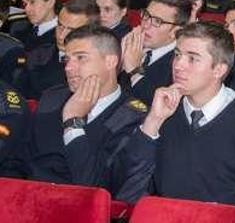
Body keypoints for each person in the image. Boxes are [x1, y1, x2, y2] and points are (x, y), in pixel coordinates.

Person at [121, 22, 235, 206]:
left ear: (219, 70)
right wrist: (152, 123)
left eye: (192, 58)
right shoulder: (162, 110)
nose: (178, 65)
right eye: (177, 55)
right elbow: (130, 194)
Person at [24, 25, 146, 201]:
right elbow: (25, 161)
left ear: (110, 61)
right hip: (29, 203)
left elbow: (96, 187)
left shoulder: (133, 117)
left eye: (81, 58)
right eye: (67, 59)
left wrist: (73, 123)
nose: (68, 68)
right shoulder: (52, 98)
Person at [18, 0, 100, 99]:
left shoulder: (100, 67)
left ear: (91, 33)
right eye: (60, 26)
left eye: (72, 30)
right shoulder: (36, 56)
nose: (61, 36)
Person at [118, 0, 192, 104]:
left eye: (157, 21)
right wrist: (118, 64)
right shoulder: (132, 44)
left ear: (176, 32)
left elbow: (157, 105)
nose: (146, 25)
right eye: (146, 15)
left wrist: (134, 71)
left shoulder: (180, 64)